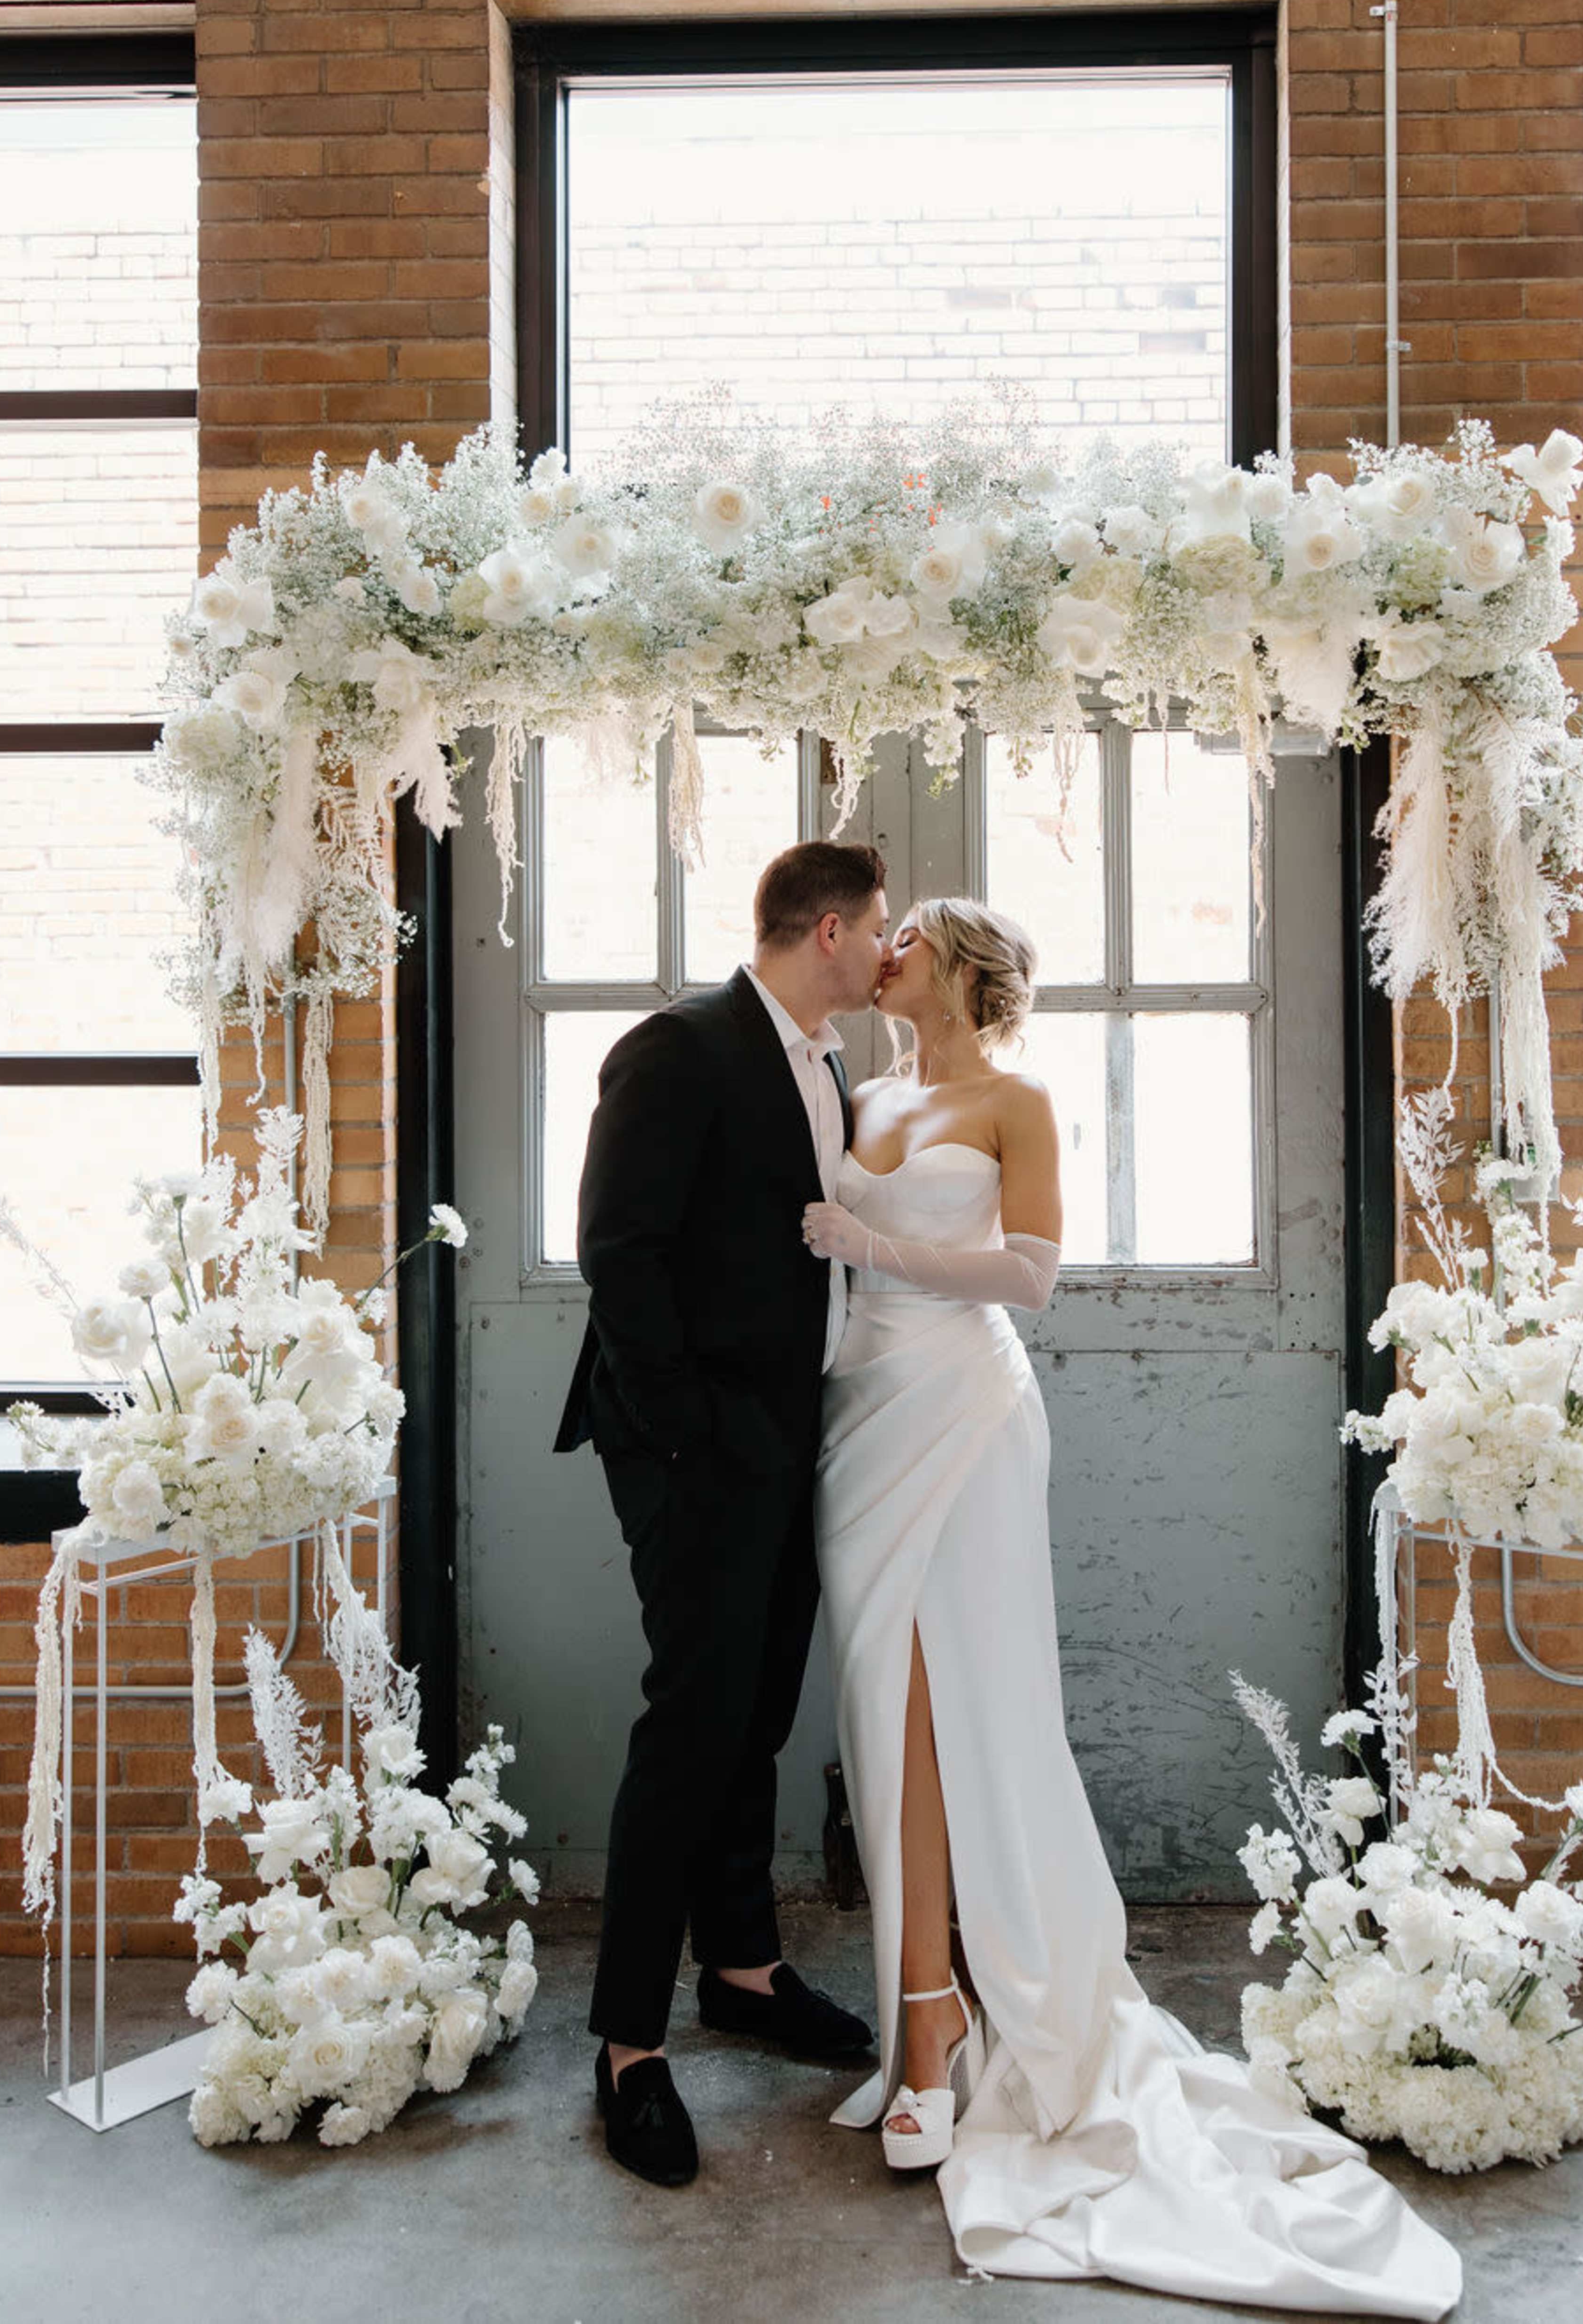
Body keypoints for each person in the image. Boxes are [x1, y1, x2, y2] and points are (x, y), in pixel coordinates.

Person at [801, 897, 1461, 2316]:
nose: (882, 948)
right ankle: (928, 1999)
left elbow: (1031, 1275)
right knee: (879, 1702)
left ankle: (941, 2025)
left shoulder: (1017, 1100)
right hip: (859, 1420)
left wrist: (866, 1244)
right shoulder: (868, 1088)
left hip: (966, 1410)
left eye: (907, 932)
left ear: (965, 964)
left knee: (966, 1703)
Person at [554, 840, 888, 2188]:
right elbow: (616, 1250)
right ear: (824, 930)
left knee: (755, 1710)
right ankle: (628, 2048)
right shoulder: (679, 1047)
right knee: (692, 1724)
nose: (888, 952)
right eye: (877, 930)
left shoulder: (827, 1061)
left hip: (790, 1436)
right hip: (692, 1448)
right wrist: (690, 1433)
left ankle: (743, 1973)